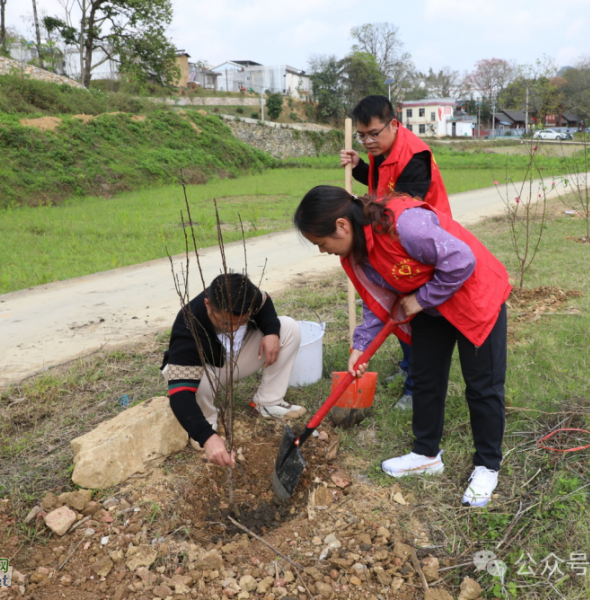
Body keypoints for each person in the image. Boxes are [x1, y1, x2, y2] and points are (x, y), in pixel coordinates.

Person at [293, 186, 511, 507]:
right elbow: (376, 298)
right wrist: (360, 346)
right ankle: (425, 455)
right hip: (427, 303)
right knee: (426, 379)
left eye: (321, 243)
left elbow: (461, 260)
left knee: (482, 386)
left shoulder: (405, 225)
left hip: (472, 296)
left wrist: (421, 299)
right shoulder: (356, 253)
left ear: (341, 226)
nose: (323, 251)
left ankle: (487, 466)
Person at [340, 95, 451, 411]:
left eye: (373, 133)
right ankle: (407, 369)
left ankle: (416, 387)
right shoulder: (382, 149)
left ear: (394, 124)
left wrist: (357, 210)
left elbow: (401, 210)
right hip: (392, 241)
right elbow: (380, 184)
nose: (367, 141)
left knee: (413, 315)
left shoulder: (415, 156)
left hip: (419, 244)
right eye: (362, 135)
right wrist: (360, 166)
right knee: (394, 308)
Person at [161, 274, 306, 466]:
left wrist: (271, 331)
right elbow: (180, 394)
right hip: (207, 370)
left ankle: (269, 402)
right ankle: (206, 421)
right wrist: (206, 436)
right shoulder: (189, 323)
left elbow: (264, 302)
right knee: (187, 374)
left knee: (288, 328)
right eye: (227, 323)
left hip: (237, 360)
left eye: (242, 321)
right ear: (208, 305)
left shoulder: (247, 296)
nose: (234, 329)